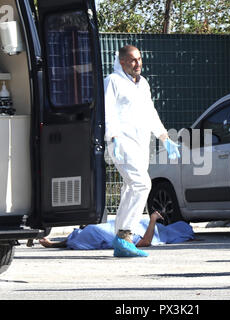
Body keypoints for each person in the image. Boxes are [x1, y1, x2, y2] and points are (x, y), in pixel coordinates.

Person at [103, 45, 180, 257]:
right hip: (122, 143)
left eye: (139, 59)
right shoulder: (113, 81)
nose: (137, 64)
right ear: (121, 62)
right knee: (142, 184)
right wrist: (113, 137)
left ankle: (120, 241)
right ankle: (124, 236)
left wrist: (164, 138)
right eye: (132, 60)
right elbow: (107, 112)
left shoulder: (143, 83)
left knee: (131, 188)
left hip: (141, 143)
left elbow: (150, 112)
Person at [38, 211, 195, 252]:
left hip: (105, 231)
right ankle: (54, 244)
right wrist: (152, 221)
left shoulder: (155, 235)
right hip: (104, 230)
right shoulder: (80, 237)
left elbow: (145, 242)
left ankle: (54, 244)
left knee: (84, 235)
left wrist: (153, 220)